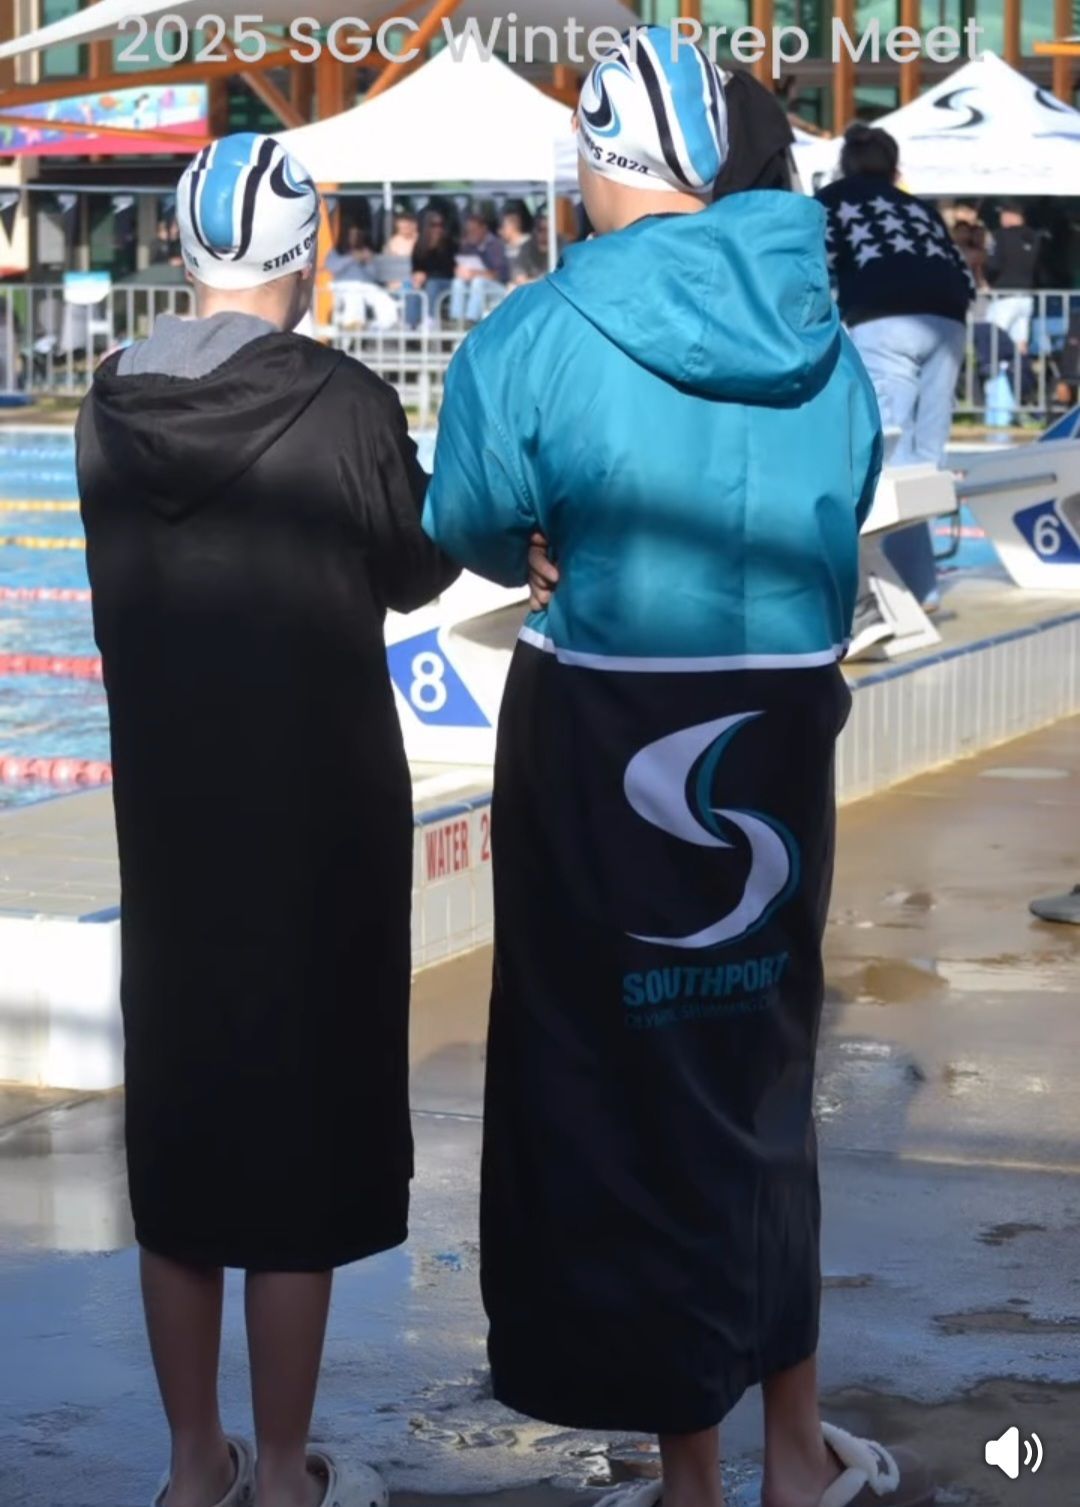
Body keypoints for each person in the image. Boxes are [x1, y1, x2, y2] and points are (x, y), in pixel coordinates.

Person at [424, 29, 931, 1507]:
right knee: (757, 1072)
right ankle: (791, 1450)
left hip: (603, 738)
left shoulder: (539, 329)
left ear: (600, 160)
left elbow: (469, 513)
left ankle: (689, 1470)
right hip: (775, 732)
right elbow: (840, 520)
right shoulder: (820, 332)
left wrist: (534, 539)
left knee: (616, 1084)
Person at [77, 134, 459, 1507]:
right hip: (316, 827)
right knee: (296, 1138)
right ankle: (285, 1466)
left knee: (182, 1131)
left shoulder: (108, 404)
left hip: (171, 829)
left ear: (185, 252)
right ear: (306, 253)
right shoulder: (341, 400)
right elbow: (419, 559)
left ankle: (196, 1465)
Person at [817, 124, 974, 615]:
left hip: (885, 321)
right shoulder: (918, 207)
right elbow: (962, 271)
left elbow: (815, 271)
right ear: (893, 166)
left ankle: (880, 597)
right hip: (948, 320)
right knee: (924, 464)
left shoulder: (830, 200)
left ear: (846, 163)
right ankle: (920, 588)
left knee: (883, 462)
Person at [986, 201, 1048, 354]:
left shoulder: (999, 236)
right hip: (1026, 295)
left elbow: (994, 265)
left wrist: (988, 281)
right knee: (1020, 342)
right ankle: (1019, 374)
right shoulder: (1035, 237)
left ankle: (996, 374)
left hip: (1004, 296)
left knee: (992, 338)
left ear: (1009, 215)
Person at [448, 211, 509, 324]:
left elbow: (499, 274)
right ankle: (456, 320)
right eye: (468, 231)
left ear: (483, 228)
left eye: (474, 230)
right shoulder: (467, 246)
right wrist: (459, 272)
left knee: (478, 282)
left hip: (498, 288)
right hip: (474, 287)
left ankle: (471, 321)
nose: (470, 234)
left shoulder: (496, 245)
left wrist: (475, 274)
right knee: (457, 282)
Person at [409, 207, 458, 324]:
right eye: (434, 225)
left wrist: (426, 275)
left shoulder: (449, 243)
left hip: (445, 281)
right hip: (426, 280)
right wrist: (417, 276)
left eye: (441, 225)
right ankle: (410, 323)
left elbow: (448, 270)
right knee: (410, 286)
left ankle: (430, 319)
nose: (438, 228)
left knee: (432, 284)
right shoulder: (419, 245)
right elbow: (416, 266)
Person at [499, 200, 534, 281]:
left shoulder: (529, 243)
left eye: (504, 227)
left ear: (513, 225)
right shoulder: (504, 246)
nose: (501, 230)